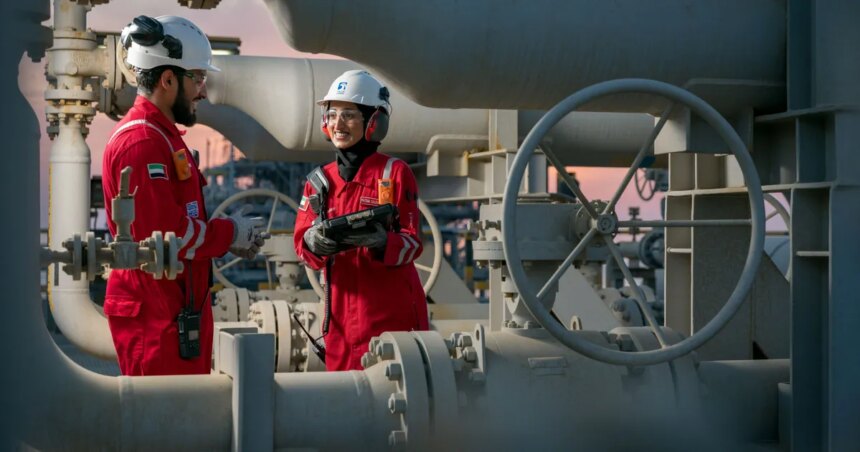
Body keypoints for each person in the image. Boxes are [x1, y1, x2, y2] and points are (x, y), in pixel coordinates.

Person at [102, 15, 265, 375]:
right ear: (168, 79)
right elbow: (166, 237)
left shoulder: (162, 138)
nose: (203, 91)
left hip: (172, 311)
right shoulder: (141, 144)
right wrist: (229, 234)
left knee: (185, 407)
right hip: (155, 320)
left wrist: (225, 239)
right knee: (165, 410)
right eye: (198, 78)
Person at [293, 70, 430, 371]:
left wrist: (383, 243)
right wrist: (312, 243)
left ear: (373, 122)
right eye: (332, 115)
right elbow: (302, 246)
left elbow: (413, 244)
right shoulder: (318, 182)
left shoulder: (394, 174)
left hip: (393, 325)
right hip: (340, 328)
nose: (338, 124)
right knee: (344, 397)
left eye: (349, 115)